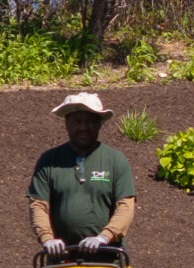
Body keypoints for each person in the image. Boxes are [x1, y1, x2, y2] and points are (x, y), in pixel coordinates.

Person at [28, 92, 135, 256]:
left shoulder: (115, 160)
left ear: (99, 124)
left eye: (90, 121)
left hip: (107, 257)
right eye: (76, 121)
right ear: (67, 124)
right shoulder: (49, 161)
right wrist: (47, 238)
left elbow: (126, 206)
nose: (83, 127)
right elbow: (38, 205)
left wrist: (103, 237)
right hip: (61, 258)